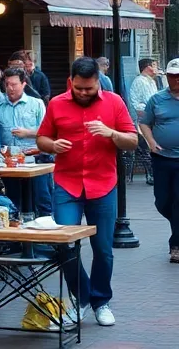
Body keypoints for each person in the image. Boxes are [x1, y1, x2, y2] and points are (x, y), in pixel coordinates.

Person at [37, 56, 137, 327]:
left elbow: (132, 140)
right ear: (71, 81)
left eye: (88, 89)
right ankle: (82, 297)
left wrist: (110, 133)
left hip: (103, 184)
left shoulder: (114, 102)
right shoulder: (57, 103)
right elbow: (41, 138)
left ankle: (101, 301)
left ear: (98, 84)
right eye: (78, 88)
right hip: (67, 184)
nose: (82, 93)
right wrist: (52, 145)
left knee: (103, 249)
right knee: (65, 245)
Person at [0, 66, 51, 217]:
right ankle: (15, 235)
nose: (10, 88)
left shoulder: (36, 103)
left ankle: (48, 234)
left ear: (23, 84)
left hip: (35, 159)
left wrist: (28, 133)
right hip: (9, 162)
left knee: (42, 199)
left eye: (14, 84)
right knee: (13, 200)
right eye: (7, 84)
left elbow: (48, 132)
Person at [140, 61, 179, 263]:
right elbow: (145, 123)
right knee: (163, 202)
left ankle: (176, 245)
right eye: (173, 75)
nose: (176, 79)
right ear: (167, 77)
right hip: (162, 158)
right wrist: (151, 141)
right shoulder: (157, 99)